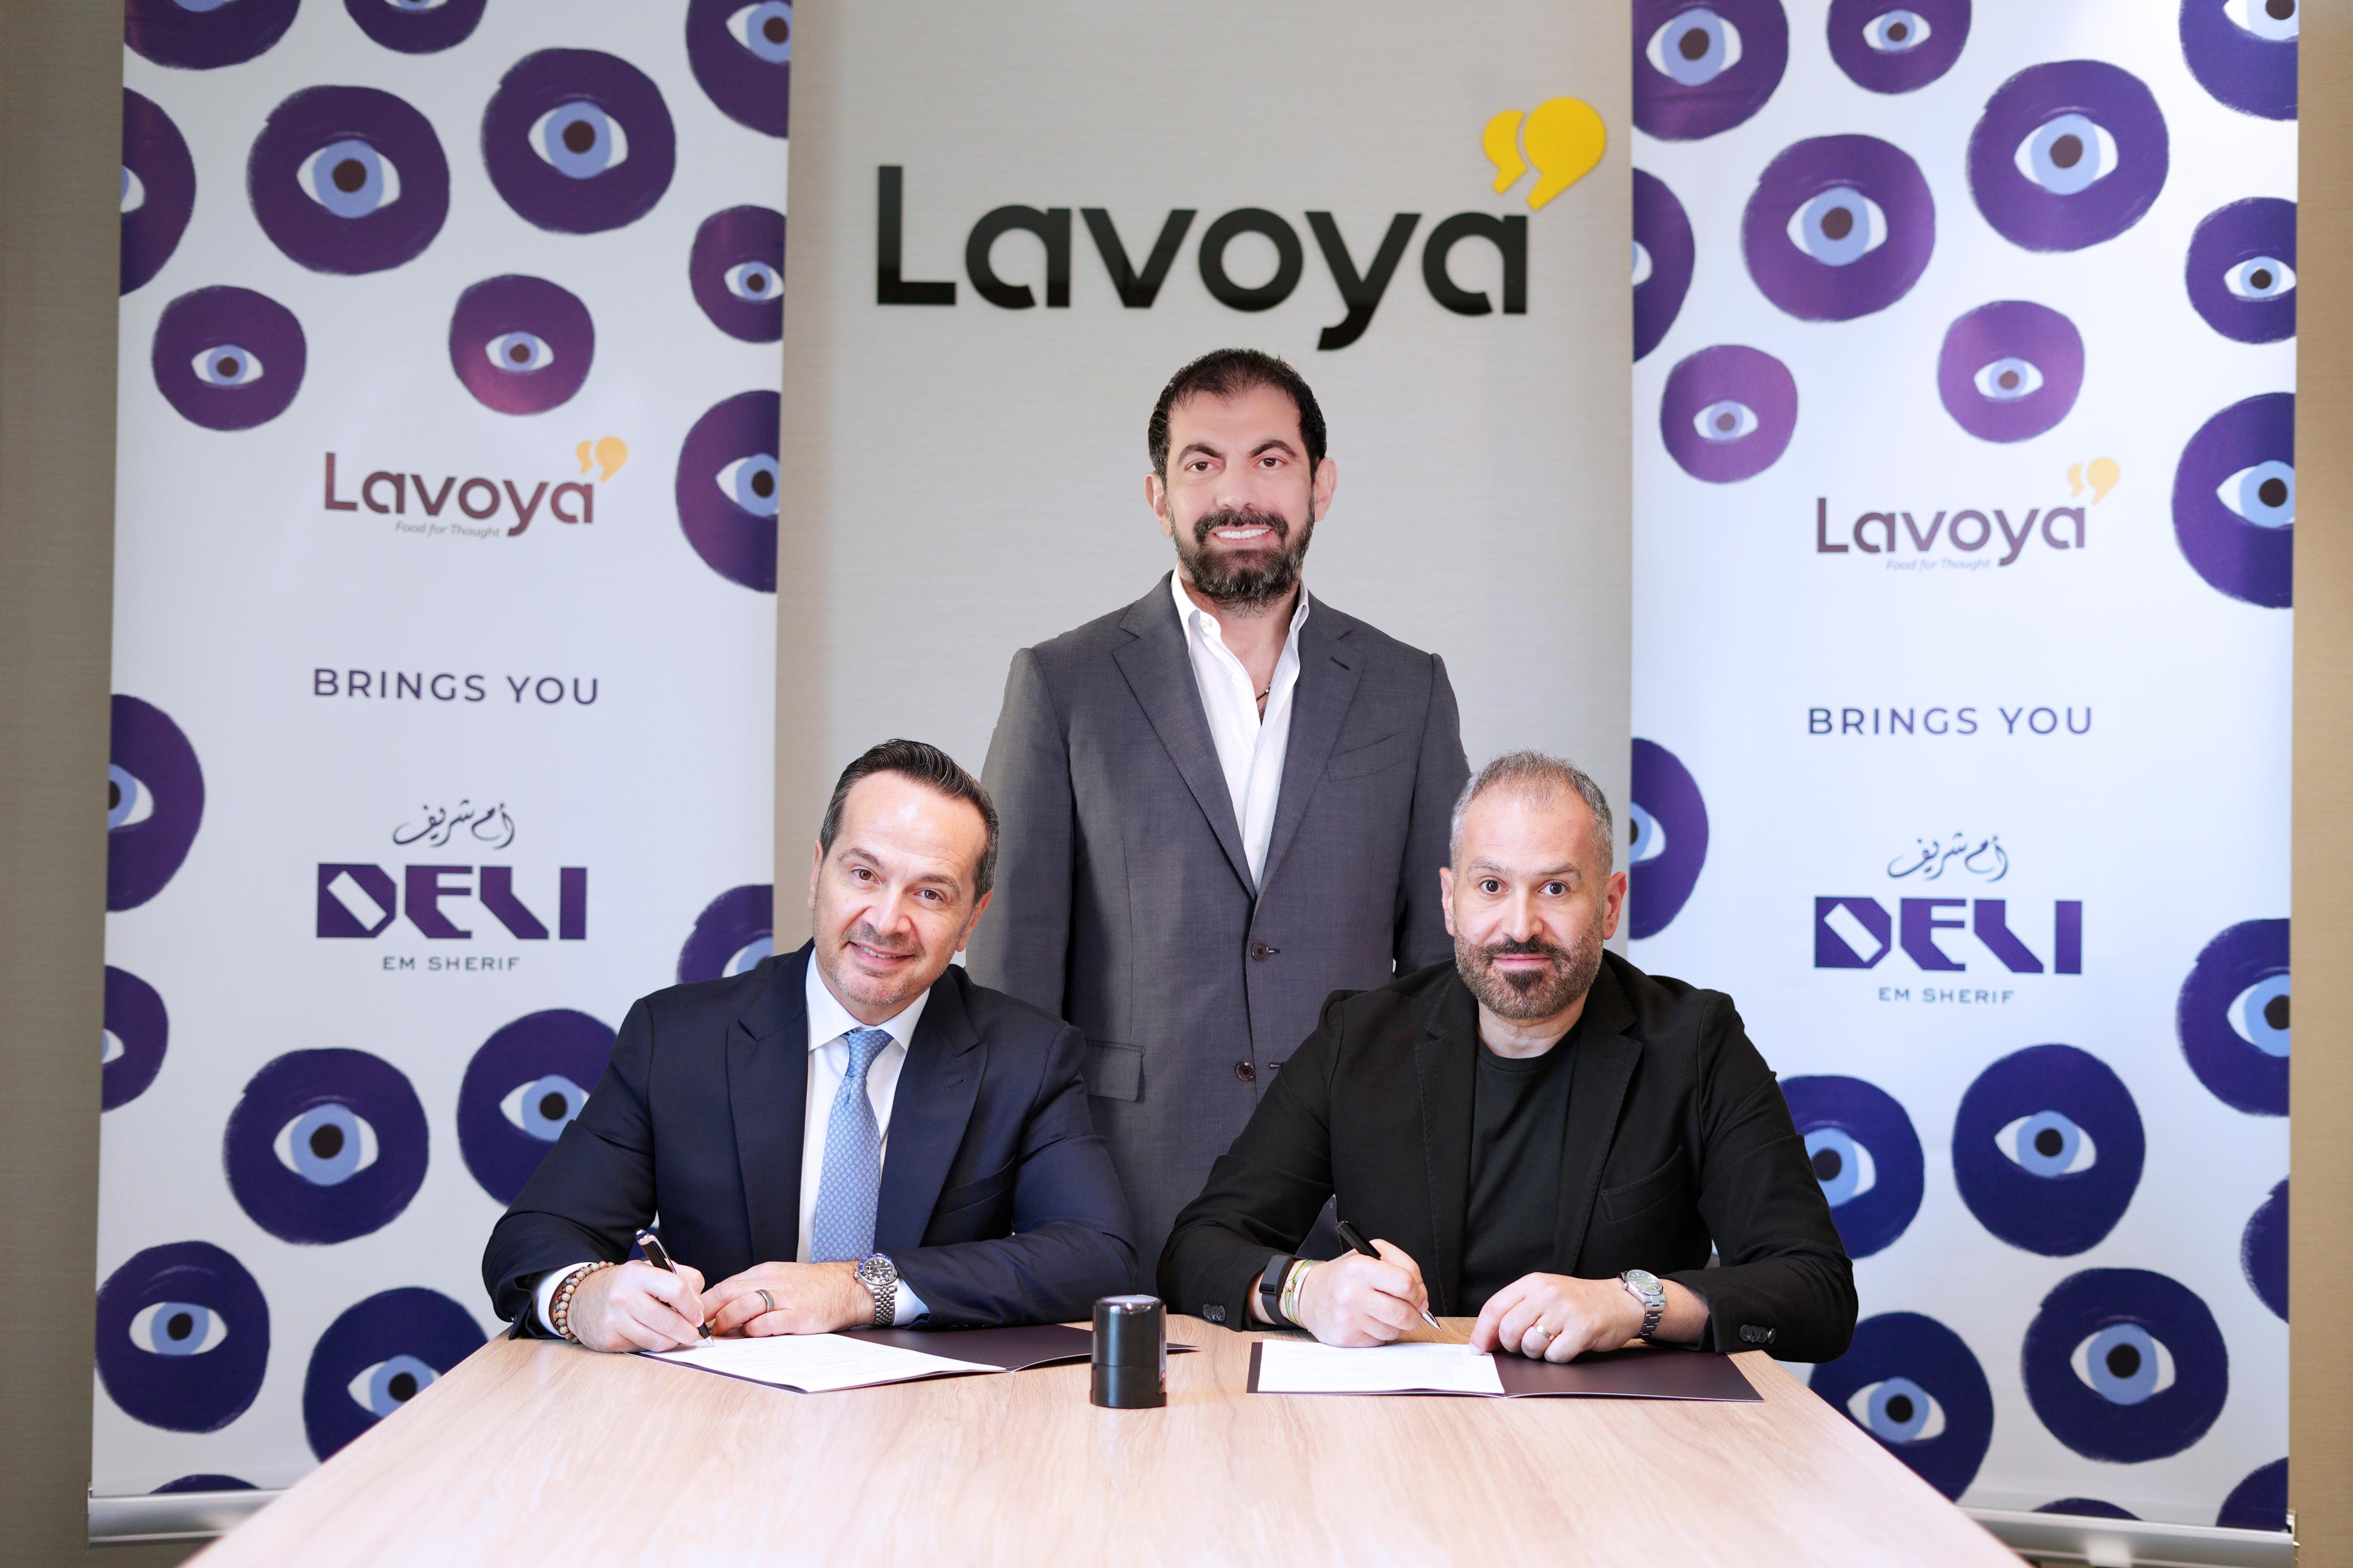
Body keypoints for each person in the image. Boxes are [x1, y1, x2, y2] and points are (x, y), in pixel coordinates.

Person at [970, 347, 1469, 1269]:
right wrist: (1029, 1193)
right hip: (1121, 1189)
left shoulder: (1410, 688)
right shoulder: (1063, 685)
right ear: (1158, 495)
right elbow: (1013, 979)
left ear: (1320, 485)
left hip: (1353, 1199)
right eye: (1203, 463)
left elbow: (1445, 968)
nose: (1237, 493)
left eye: (1270, 460)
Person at [1159, 752, 1856, 1363]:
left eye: (1555, 888)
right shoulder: (1357, 1039)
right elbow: (1196, 1248)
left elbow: (1817, 1291)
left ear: (1609, 904)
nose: (1520, 926)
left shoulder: (1696, 1043)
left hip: (1623, 1437)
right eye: (1490, 886)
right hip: (1405, 1430)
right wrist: (1303, 1290)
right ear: (1449, 900)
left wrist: (1633, 1302)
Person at [482, 740, 1136, 1350]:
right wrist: (585, 1296)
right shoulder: (677, 1039)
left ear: (972, 919)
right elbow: (535, 1235)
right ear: (817, 872)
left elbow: (1096, 1254)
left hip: (932, 1409)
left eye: (930, 893)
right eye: (864, 874)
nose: (887, 920)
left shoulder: (1028, 1056)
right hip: (716, 1402)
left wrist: (858, 1288)